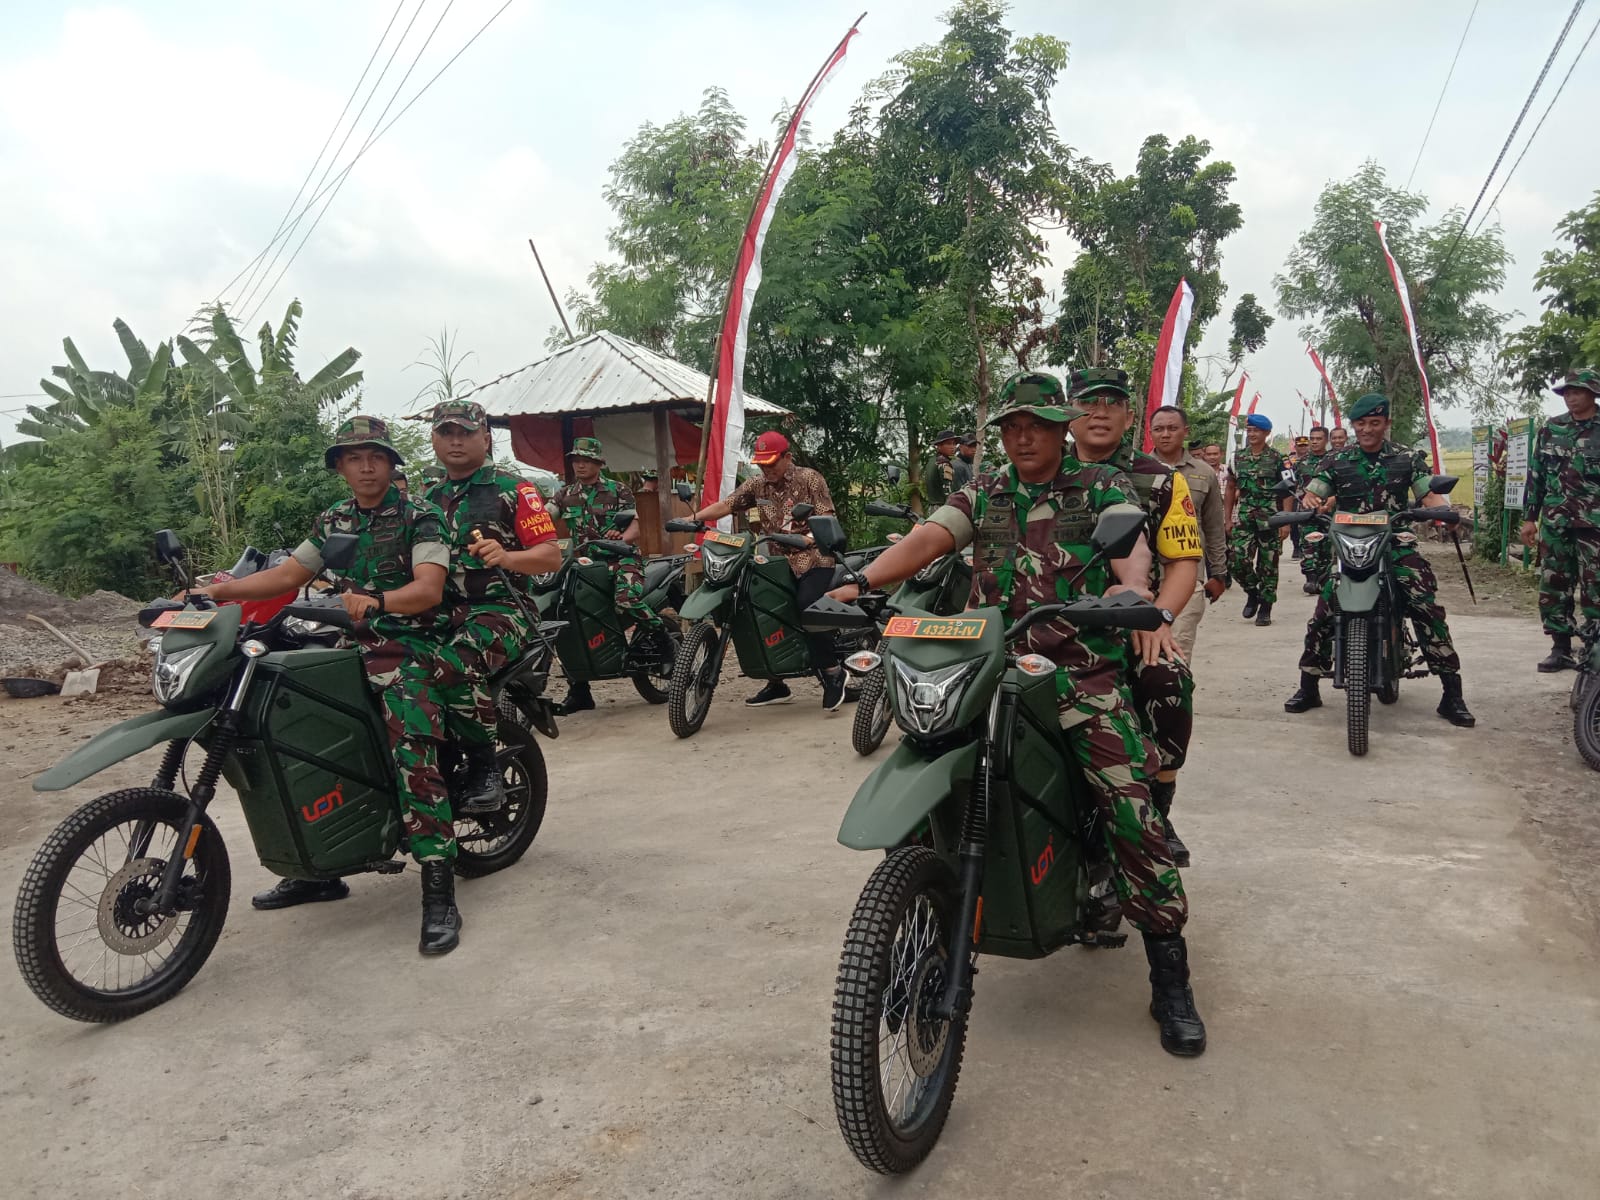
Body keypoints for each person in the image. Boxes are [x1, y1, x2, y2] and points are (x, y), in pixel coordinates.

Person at [830, 369, 1206, 1057]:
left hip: (1079, 668)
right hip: (987, 663)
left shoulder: (1101, 487)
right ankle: (911, 934)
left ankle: (1169, 970)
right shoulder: (987, 489)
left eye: (1036, 422)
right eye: (1012, 425)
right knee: (926, 773)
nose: (1024, 435)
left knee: (1127, 803)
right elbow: (928, 540)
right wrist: (858, 581)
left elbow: (1131, 551)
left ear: (1061, 427)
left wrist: (1131, 593)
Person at [187, 417, 465, 953]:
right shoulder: (335, 519)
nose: (365, 466)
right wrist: (217, 592)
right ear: (340, 466)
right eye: (354, 457)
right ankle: (318, 868)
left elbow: (429, 590)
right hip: (346, 640)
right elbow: (288, 575)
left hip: (411, 644)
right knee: (295, 728)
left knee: (412, 749)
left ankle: (438, 891)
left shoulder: (421, 516)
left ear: (390, 464)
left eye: (376, 457)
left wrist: (380, 602)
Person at [1069, 375, 1203, 871]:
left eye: (1113, 403)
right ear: (1069, 413)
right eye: (1088, 402)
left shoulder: (1161, 478)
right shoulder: (1041, 469)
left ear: (1130, 417)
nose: (1100, 412)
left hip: (1129, 619)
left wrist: (1158, 616)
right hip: (1046, 619)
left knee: (1165, 680)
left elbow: (1183, 561)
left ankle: (1157, 810)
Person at [1284, 393, 1474, 726]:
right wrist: (1313, 502)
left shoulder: (1407, 457)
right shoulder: (1336, 460)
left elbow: (1427, 492)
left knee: (1423, 603)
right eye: (1361, 424)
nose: (1368, 429)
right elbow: (1317, 491)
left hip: (1395, 542)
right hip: (1348, 543)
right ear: (1353, 426)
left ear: (1386, 424)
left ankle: (1451, 693)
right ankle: (1309, 685)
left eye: (1375, 423)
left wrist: (1442, 510)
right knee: (1325, 607)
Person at [422, 400, 563, 812]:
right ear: (434, 440)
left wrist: (507, 557)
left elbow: (550, 555)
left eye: (465, 433)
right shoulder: (427, 498)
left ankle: (486, 769)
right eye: (446, 433)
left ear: (485, 438)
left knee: (457, 660)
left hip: (504, 608)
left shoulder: (514, 488)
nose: (456, 441)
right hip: (440, 609)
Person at [690, 430, 849, 710]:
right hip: (774, 561)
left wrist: (810, 538)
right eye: (762, 464)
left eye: (772, 463)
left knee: (806, 606)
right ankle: (776, 682)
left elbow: (826, 517)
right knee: (758, 609)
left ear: (787, 457)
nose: (767, 469)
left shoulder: (810, 478)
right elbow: (727, 505)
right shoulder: (757, 485)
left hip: (813, 558)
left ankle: (834, 672)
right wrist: (693, 519)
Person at [550, 437, 666, 712]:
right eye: (576, 459)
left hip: (621, 559)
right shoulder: (564, 494)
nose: (580, 464)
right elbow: (544, 518)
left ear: (598, 463)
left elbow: (634, 530)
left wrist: (621, 539)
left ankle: (663, 640)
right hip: (584, 565)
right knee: (565, 617)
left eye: (586, 460)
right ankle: (579, 691)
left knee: (626, 599)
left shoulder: (618, 490)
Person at [1519, 368, 1600, 672]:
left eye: (1577, 391)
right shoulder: (1551, 429)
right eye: (1567, 392)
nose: (1571, 397)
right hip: (1556, 522)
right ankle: (1560, 648)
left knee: (1596, 587)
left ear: (1592, 393)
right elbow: (1536, 476)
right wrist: (1529, 519)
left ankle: (1594, 649)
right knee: (1554, 584)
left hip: (1595, 525)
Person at [1150, 405, 1230, 662]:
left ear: (1185, 431)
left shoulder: (1204, 473)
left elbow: (1214, 528)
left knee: (1178, 651)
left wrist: (1218, 573)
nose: (1165, 434)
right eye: (1158, 429)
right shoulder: (1136, 470)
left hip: (1189, 578)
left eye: (1172, 428)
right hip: (1144, 578)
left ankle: (1177, 700)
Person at [1225, 413, 1290, 626]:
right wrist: (1227, 518)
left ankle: (1266, 606)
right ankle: (1253, 592)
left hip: (1270, 518)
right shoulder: (1237, 458)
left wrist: (1286, 521)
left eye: (1257, 431)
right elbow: (1231, 488)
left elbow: (1288, 491)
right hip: (1245, 517)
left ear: (1267, 433)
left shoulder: (1278, 459)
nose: (1252, 434)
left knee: (1268, 564)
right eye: (1250, 430)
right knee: (1236, 559)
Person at [1296, 425, 1331, 595]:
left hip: (1329, 511)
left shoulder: (1334, 460)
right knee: (1308, 543)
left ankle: (1324, 578)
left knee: (1326, 545)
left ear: (1326, 440)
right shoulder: (1301, 462)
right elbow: (1294, 486)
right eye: (1313, 438)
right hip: (1307, 512)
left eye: (1319, 438)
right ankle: (1310, 578)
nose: (1315, 442)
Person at [924, 429, 961, 507]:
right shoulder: (944, 463)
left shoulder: (931, 461)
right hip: (943, 507)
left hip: (932, 506)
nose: (953, 447)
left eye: (954, 444)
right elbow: (948, 490)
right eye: (948, 444)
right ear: (939, 446)